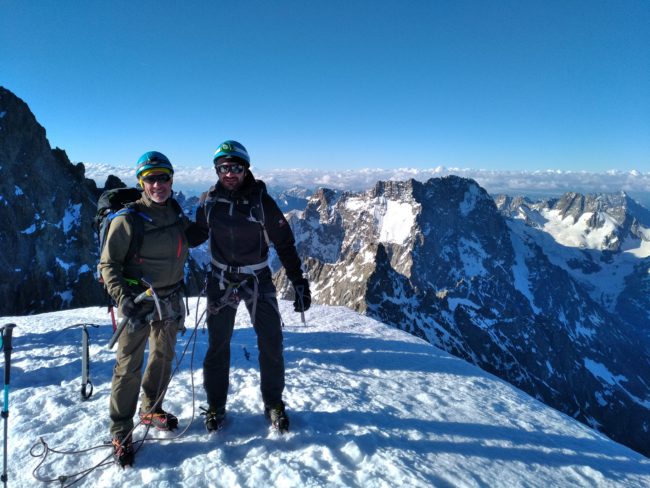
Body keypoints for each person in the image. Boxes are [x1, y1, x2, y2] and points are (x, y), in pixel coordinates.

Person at [194, 140, 311, 433]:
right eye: (223, 168)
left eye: (235, 167)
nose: (229, 173)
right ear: (217, 170)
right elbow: (194, 234)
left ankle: (273, 403)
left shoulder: (262, 202)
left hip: (258, 279)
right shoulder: (208, 201)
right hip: (221, 279)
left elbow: (284, 243)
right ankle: (216, 407)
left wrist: (298, 281)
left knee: (271, 343)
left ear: (246, 169)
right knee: (217, 346)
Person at [99, 151, 200, 467]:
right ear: (141, 182)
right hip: (138, 302)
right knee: (128, 365)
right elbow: (108, 264)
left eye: (164, 177)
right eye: (151, 178)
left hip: (169, 299)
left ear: (171, 179)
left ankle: (151, 408)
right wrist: (123, 297)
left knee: (162, 357)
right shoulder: (128, 219)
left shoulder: (174, 210)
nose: (158, 184)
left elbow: (180, 242)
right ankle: (121, 429)